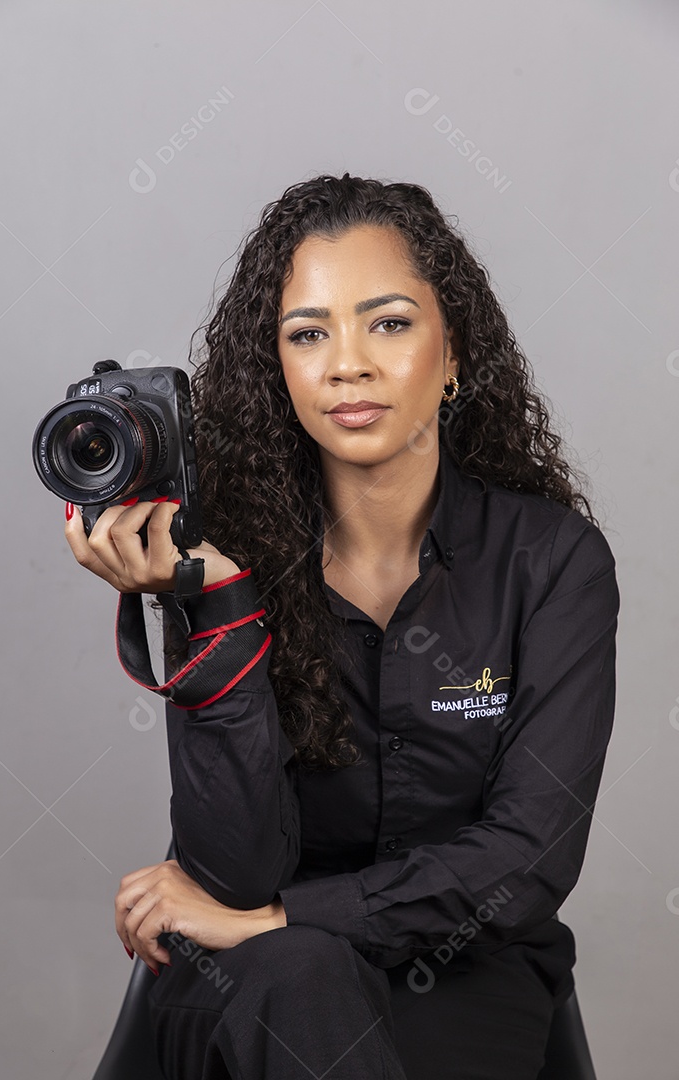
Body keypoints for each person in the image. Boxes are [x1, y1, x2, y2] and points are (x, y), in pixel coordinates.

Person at [65, 174, 620, 1080]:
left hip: (465, 978)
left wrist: (290, 918)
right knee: (302, 977)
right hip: (246, 980)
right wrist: (221, 608)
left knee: (309, 964)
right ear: (276, 370)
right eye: (308, 333)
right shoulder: (222, 561)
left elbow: (530, 858)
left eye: (390, 323)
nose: (347, 363)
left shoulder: (552, 562)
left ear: (453, 353)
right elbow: (236, 872)